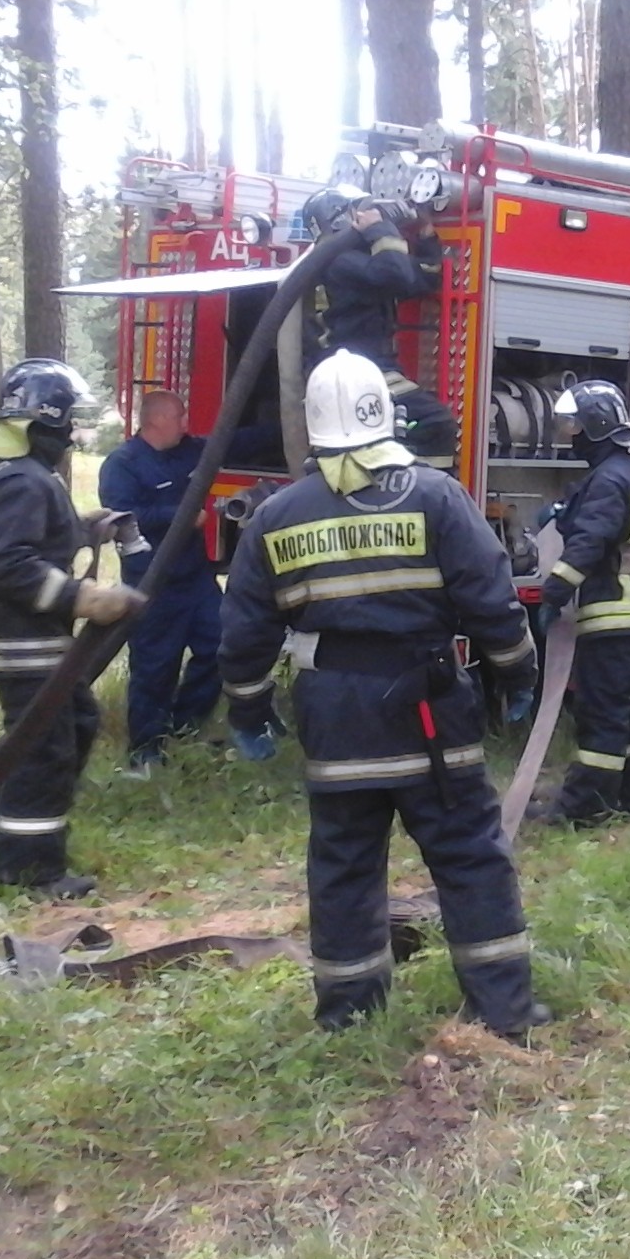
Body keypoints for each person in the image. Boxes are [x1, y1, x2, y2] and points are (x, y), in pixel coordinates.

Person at [218, 350, 545, 1034]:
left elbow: (246, 631)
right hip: (428, 713)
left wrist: (248, 709)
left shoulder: (277, 515)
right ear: (384, 416)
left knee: (343, 867)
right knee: (468, 858)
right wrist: (516, 674)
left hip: (334, 715)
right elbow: (492, 603)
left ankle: (348, 1013)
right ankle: (504, 1012)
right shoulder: (435, 496)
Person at [0, 358, 142, 898]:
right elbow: (9, 562)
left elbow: (29, 540)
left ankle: (10, 833)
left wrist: (86, 527)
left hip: (32, 638)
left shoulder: (22, 474)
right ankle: (31, 870)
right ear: (48, 419)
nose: (72, 434)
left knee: (76, 723)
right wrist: (82, 596)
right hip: (23, 642)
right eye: (68, 422)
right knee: (43, 750)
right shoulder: (21, 478)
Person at [531, 380, 630, 824]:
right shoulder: (619, 470)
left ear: (595, 425)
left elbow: (589, 543)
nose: (569, 433)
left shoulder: (608, 478)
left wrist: (552, 593)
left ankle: (586, 807)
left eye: (573, 424)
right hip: (628, 610)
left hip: (609, 611)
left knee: (603, 713)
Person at [98, 391, 223, 771]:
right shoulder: (122, 464)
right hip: (152, 584)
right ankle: (145, 751)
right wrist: (179, 515)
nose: (187, 424)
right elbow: (124, 515)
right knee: (155, 667)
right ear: (156, 421)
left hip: (196, 578)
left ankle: (185, 724)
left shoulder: (189, 451)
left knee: (223, 645)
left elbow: (233, 440)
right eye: (180, 417)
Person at [302, 184, 461, 469]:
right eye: (363, 209)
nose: (373, 212)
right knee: (435, 423)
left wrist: (424, 235)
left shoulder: (352, 261)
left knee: (405, 427)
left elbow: (421, 279)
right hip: (351, 372)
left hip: (368, 367)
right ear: (343, 219)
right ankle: (424, 495)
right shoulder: (338, 261)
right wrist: (380, 229)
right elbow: (395, 274)